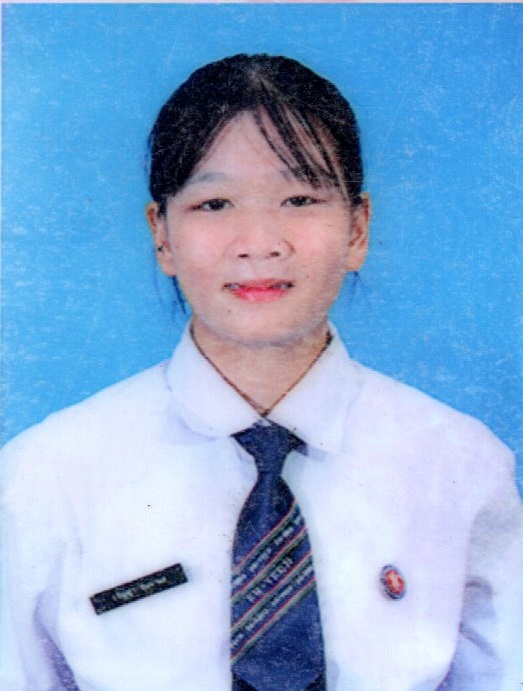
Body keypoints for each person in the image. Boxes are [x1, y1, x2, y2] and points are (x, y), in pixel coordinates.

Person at [1, 54, 521, 691]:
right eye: (214, 203)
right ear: (161, 235)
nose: (258, 241)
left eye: (299, 199)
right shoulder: (45, 476)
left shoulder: (461, 465)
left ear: (358, 228)